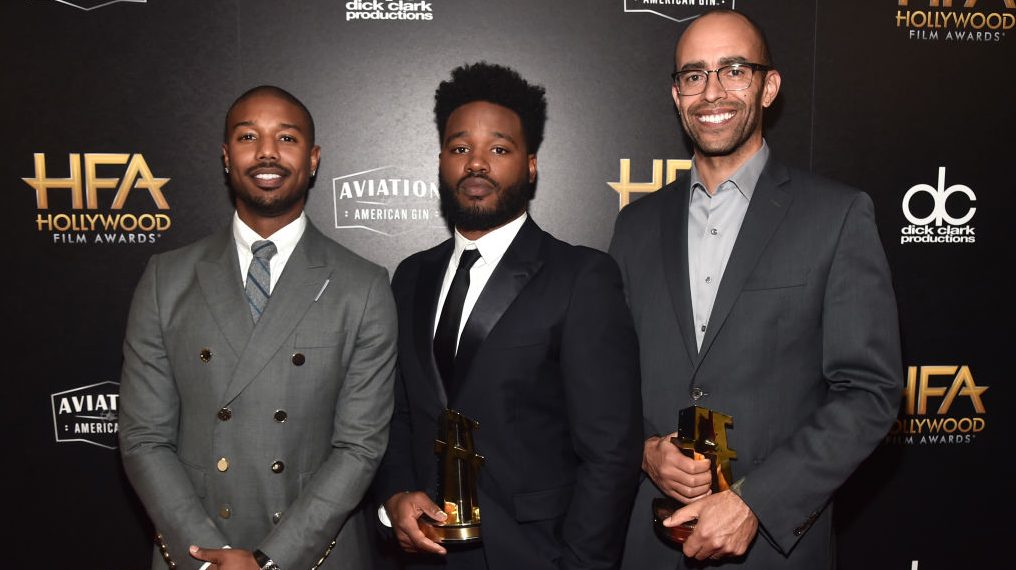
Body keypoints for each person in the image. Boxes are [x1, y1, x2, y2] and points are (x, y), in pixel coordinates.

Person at [609, 9, 902, 568]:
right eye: (694, 75)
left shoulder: (836, 215)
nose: (712, 92)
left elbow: (869, 391)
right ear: (676, 95)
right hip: (649, 544)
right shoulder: (635, 226)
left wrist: (757, 502)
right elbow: (607, 380)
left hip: (773, 550)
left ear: (769, 87)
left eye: (734, 70)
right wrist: (643, 452)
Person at [371, 62, 643, 570]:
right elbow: (398, 414)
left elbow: (610, 452)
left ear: (531, 165)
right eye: (459, 149)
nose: (476, 164)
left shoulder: (580, 276)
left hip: (535, 555)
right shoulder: (410, 276)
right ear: (441, 161)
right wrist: (396, 497)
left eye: (498, 149)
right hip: (425, 555)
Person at [119, 85, 398, 570]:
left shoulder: (363, 285)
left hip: (313, 552)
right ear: (227, 156)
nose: (267, 152)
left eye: (286, 138)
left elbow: (359, 446)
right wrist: (206, 556)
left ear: (313, 159)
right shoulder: (167, 278)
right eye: (248, 137)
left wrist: (270, 561)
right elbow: (144, 437)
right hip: (196, 552)